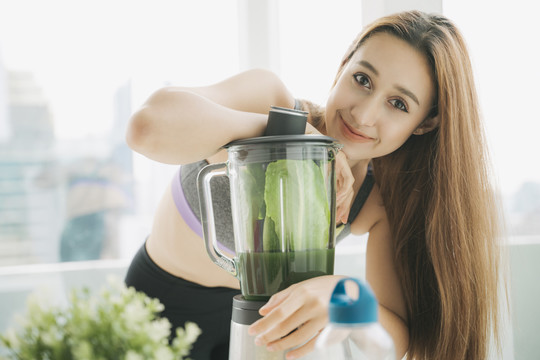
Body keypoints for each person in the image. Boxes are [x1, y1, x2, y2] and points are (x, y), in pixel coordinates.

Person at [125, 10, 503, 360]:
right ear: (342, 68)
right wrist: (288, 137)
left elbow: (396, 334)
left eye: (399, 104)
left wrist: (345, 294)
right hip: (156, 309)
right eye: (362, 80)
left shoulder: (375, 199)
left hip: (265, 326)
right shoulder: (266, 99)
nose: (364, 114)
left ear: (425, 124)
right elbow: (145, 129)